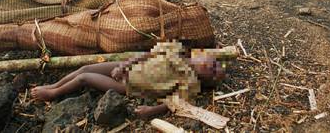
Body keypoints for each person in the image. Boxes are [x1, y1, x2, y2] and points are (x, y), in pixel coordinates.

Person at [31, 41, 226, 119]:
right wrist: (124, 66)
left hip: (128, 86)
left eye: (213, 72)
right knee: (85, 67)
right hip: (126, 69)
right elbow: (145, 55)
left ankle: (53, 93)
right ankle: (54, 85)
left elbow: (173, 104)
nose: (212, 66)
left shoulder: (190, 84)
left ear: (205, 80)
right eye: (213, 62)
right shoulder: (177, 51)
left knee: (84, 77)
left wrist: (151, 111)